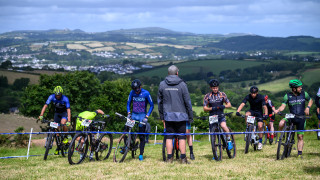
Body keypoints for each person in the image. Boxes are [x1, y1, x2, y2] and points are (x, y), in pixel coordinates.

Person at [158, 65, 193, 164]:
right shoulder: (182, 85)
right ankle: (183, 159)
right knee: (182, 137)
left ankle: (169, 158)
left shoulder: (162, 84)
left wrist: (162, 116)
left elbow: (159, 102)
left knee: (169, 137)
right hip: (181, 115)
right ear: (177, 73)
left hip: (168, 115)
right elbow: (187, 102)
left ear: (168, 73)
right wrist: (190, 116)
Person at [274, 79, 313, 159]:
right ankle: (281, 137)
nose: (301, 88)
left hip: (301, 117)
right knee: (281, 123)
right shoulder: (287, 96)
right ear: (294, 88)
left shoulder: (304, 94)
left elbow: (310, 100)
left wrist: (308, 107)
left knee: (300, 137)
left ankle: (299, 154)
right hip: (291, 116)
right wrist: (278, 110)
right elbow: (283, 106)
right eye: (299, 87)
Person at [203, 79, 233, 159]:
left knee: (223, 126)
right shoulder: (207, 96)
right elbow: (205, 108)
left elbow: (229, 104)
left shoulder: (222, 94)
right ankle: (215, 153)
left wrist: (224, 106)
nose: (215, 89)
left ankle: (229, 140)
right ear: (210, 88)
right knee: (214, 135)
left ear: (218, 87)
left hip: (221, 115)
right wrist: (212, 108)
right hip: (212, 116)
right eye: (213, 88)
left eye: (216, 88)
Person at [39, 86, 71, 155]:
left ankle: (65, 137)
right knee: (56, 130)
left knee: (63, 123)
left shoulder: (65, 98)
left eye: (59, 95)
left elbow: (68, 110)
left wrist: (69, 120)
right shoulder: (51, 97)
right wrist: (41, 115)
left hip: (64, 113)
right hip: (57, 113)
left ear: (61, 94)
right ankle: (58, 147)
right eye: (56, 95)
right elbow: (45, 106)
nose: (58, 96)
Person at [127, 79, 154, 161]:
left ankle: (141, 154)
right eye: (134, 89)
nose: (136, 91)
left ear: (140, 87)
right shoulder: (132, 93)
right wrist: (128, 113)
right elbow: (128, 103)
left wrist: (147, 116)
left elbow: (152, 105)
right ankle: (126, 146)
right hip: (134, 114)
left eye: (137, 89)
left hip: (142, 115)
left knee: (141, 136)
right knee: (126, 129)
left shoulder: (146, 93)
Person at [236, 86, 268, 150]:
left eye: (254, 93)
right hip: (252, 111)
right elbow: (242, 104)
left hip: (259, 112)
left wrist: (266, 114)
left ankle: (260, 142)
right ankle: (248, 128)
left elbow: (265, 107)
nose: (253, 94)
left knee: (260, 126)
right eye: (252, 93)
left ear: (257, 93)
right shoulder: (248, 96)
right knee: (247, 114)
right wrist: (238, 111)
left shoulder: (261, 97)